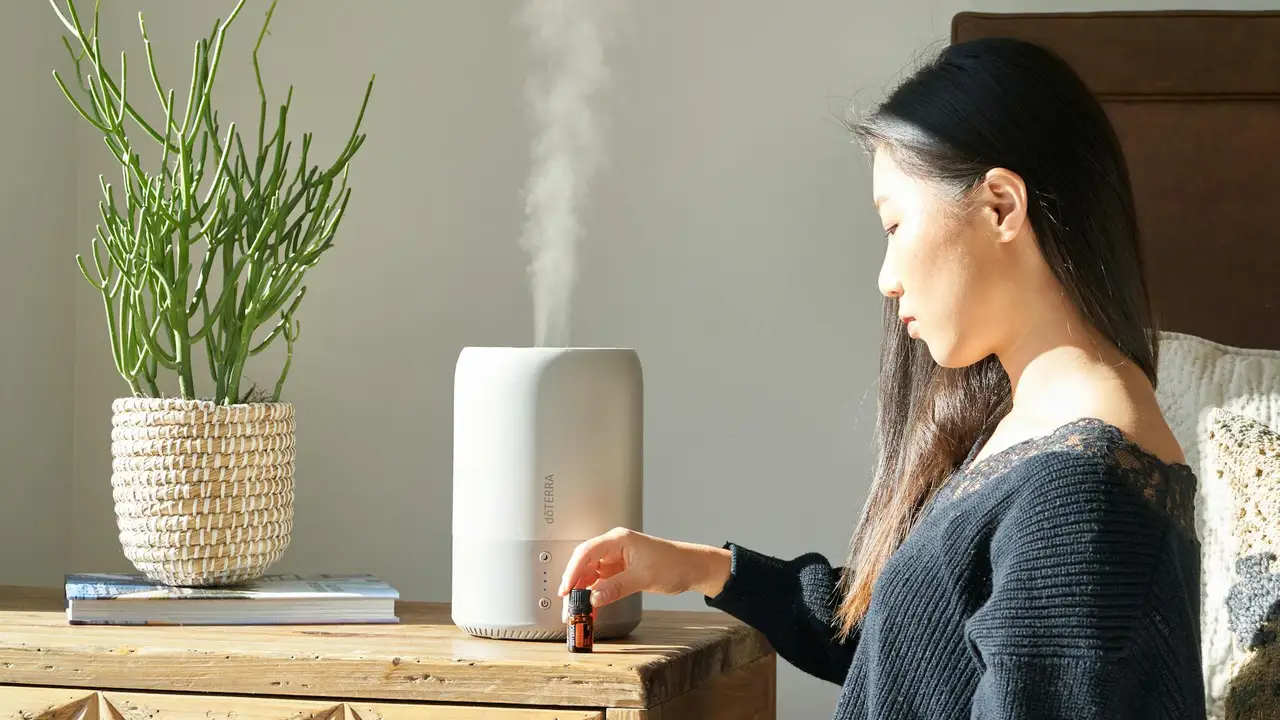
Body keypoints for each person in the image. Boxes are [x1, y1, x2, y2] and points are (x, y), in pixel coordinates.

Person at [557, 36, 1205, 719]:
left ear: (1001, 208)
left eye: (895, 223)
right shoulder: (1045, 437)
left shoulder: (1078, 492)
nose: (886, 278)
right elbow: (912, 650)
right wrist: (700, 569)